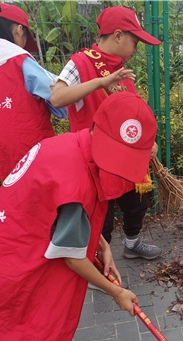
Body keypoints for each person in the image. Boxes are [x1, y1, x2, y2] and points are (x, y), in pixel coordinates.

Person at [0, 92, 155, 341]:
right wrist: (117, 293)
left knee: (29, 324)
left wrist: (103, 245)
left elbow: (72, 220)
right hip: (21, 258)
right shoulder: (75, 181)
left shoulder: (70, 144)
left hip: (5, 245)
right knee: (46, 327)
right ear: (98, 129)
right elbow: (72, 258)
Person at [0, 3, 71, 341]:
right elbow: (59, 99)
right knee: (41, 276)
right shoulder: (20, 62)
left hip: (7, 179)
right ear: (17, 32)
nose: (28, 41)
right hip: (37, 174)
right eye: (27, 35)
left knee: (25, 260)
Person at [50, 6, 162, 265]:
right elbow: (57, 97)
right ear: (119, 35)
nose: (137, 48)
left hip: (124, 158)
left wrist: (147, 143)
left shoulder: (121, 69)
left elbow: (129, 114)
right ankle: (99, 261)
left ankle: (132, 245)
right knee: (102, 215)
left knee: (137, 201)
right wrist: (101, 82)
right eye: (135, 41)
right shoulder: (80, 63)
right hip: (93, 159)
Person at [0, 3, 67, 181]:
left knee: (17, 204)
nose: (24, 44)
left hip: (2, 159)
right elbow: (59, 95)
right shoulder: (21, 62)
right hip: (34, 157)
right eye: (25, 38)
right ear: (18, 30)